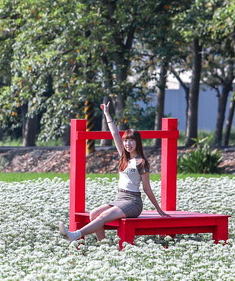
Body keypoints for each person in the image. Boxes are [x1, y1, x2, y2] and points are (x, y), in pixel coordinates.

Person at [61, 101, 171, 244]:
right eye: (126, 141)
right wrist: (107, 113)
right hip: (120, 198)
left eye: (131, 141)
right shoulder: (124, 157)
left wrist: (159, 210)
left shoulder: (141, 162)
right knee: (94, 214)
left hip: (133, 202)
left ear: (137, 142)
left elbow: (147, 188)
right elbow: (114, 134)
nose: (128, 144)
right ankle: (104, 246)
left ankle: (74, 235)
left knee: (102, 217)